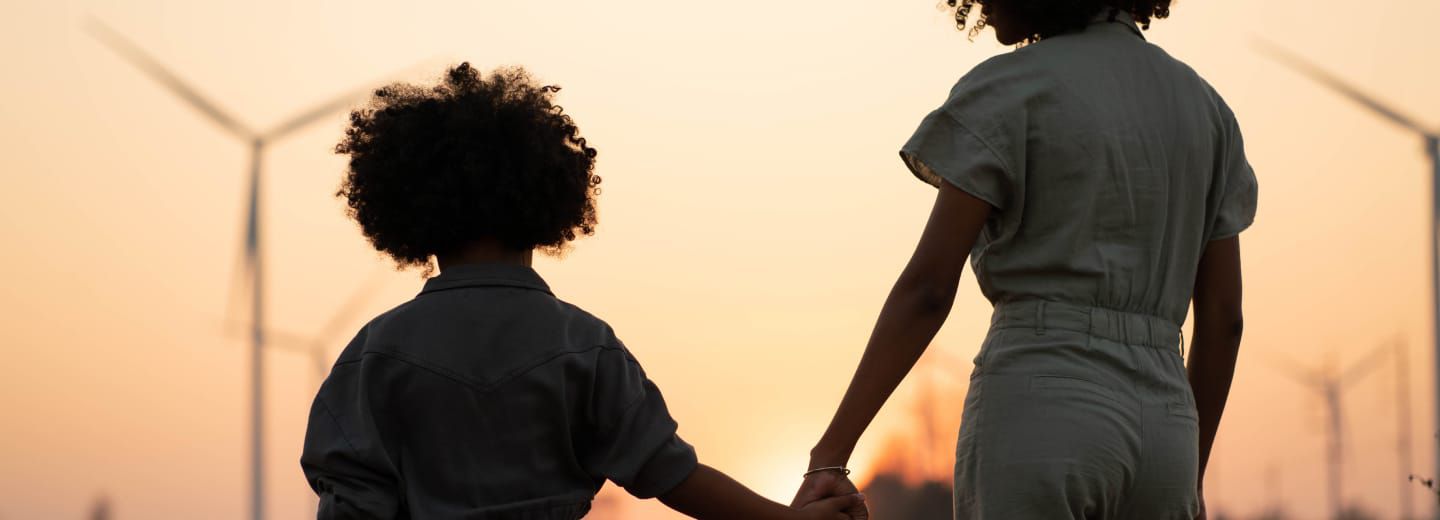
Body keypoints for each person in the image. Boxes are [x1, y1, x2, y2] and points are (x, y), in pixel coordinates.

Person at [299, 63, 866, 520]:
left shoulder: (374, 354)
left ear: (406, 211)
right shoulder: (584, 344)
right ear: (546, 201)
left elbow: (354, 501)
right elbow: (671, 475)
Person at [791, 1, 1256, 519]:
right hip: (1168, 431)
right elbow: (1224, 320)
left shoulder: (1011, 88)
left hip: (1040, 404)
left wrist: (829, 454)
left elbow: (927, 291)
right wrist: (1187, 473)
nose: (981, 10)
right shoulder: (1208, 111)